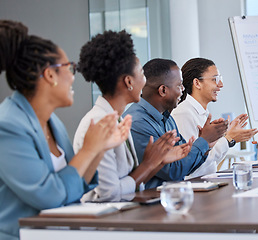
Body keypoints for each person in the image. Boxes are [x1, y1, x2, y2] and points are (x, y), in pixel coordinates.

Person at [0, 20, 131, 240]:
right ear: (50, 75)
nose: (73, 76)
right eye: (69, 67)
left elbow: (75, 183)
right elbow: (49, 195)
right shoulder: (8, 126)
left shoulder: (53, 122)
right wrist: (89, 150)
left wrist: (100, 148)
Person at [73, 31, 193, 202]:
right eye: (142, 75)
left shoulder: (118, 119)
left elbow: (132, 182)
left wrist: (158, 160)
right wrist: (149, 164)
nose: (145, 82)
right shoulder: (100, 123)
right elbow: (110, 194)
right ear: (129, 82)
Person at [124, 58, 228, 189]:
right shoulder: (138, 122)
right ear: (163, 90)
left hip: (171, 196)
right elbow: (173, 171)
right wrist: (204, 141)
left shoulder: (167, 118)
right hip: (150, 202)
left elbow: (186, 163)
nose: (183, 90)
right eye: (179, 86)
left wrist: (206, 145)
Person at [172, 57, 258, 178]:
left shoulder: (202, 112)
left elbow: (210, 163)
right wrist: (229, 139)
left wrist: (226, 135)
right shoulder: (183, 113)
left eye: (220, 79)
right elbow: (191, 166)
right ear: (197, 83)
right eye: (215, 79)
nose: (221, 84)